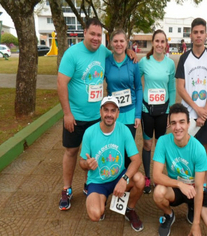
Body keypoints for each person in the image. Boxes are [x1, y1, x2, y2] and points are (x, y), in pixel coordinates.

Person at [57, 18, 136, 211]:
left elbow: (119, 53)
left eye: (99, 35)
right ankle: (66, 189)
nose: (95, 38)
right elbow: (61, 83)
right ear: (84, 32)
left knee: (92, 153)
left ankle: (89, 184)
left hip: (97, 116)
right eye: (92, 34)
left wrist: (129, 51)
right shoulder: (72, 54)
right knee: (72, 151)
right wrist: (67, 113)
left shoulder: (103, 52)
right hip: (75, 116)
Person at [153, 103, 207, 236]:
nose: (178, 127)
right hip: (176, 189)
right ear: (169, 124)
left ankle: (193, 208)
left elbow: (199, 187)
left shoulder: (198, 149)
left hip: (194, 190)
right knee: (158, 193)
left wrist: (196, 225)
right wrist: (180, 184)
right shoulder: (163, 141)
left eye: (181, 122)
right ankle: (169, 215)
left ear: (188, 123)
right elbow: (156, 176)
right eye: (173, 123)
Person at [79, 96, 145, 232]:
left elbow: (136, 160)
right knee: (95, 215)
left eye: (113, 110)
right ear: (101, 112)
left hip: (118, 177)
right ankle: (101, 200)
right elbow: (81, 162)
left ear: (118, 113)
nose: (109, 114)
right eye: (106, 110)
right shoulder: (89, 133)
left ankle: (129, 209)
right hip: (97, 181)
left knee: (140, 180)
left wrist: (124, 179)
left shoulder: (124, 130)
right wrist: (87, 164)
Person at [176, 18, 207, 193]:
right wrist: (196, 109)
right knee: (185, 149)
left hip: (205, 115)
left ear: (206, 34)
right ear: (191, 35)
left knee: (203, 150)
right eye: (195, 32)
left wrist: (204, 112)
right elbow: (181, 87)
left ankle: (203, 186)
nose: (198, 35)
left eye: (202, 32)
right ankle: (187, 184)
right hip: (188, 114)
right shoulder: (184, 58)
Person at [139, 29, 176, 194]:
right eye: (157, 41)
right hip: (147, 110)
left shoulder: (170, 64)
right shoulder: (143, 62)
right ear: (153, 43)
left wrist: (171, 113)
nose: (160, 44)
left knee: (161, 146)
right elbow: (135, 81)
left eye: (163, 42)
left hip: (163, 112)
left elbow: (172, 90)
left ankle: (159, 177)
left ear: (166, 44)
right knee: (147, 144)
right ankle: (147, 176)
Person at [105, 29, 142, 168]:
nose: (119, 44)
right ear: (111, 43)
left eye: (122, 41)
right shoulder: (106, 62)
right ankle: (113, 177)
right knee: (113, 147)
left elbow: (138, 88)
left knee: (127, 150)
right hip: (112, 114)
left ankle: (125, 181)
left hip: (130, 113)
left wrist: (138, 114)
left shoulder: (133, 62)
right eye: (116, 41)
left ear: (127, 43)